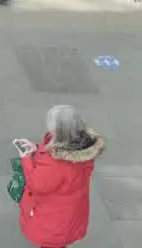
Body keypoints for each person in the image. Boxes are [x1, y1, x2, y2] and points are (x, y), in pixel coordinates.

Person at [15, 105, 105, 248]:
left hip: (53, 221)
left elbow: (36, 184)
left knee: (52, 244)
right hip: (69, 216)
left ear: (59, 131)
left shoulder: (56, 164)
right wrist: (38, 149)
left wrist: (26, 158)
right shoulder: (83, 148)